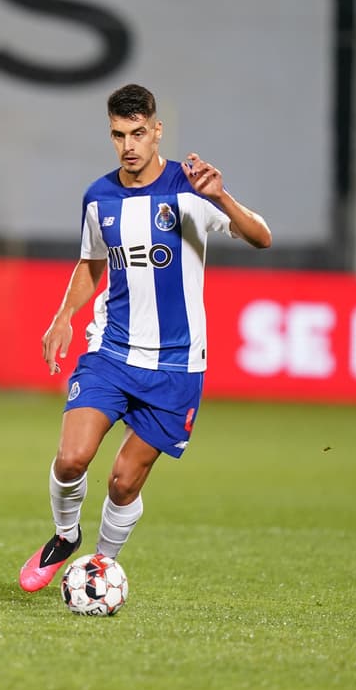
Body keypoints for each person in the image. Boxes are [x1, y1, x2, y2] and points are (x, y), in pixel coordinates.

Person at [19, 83, 271, 592]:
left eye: (138, 133)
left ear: (157, 131)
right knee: (72, 458)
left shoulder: (192, 188)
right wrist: (64, 314)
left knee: (122, 482)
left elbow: (261, 237)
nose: (128, 145)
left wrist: (220, 196)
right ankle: (66, 536)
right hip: (111, 351)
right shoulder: (99, 197)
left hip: (177, 367)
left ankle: (101, 565)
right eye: (118, 135)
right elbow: (92, 263)